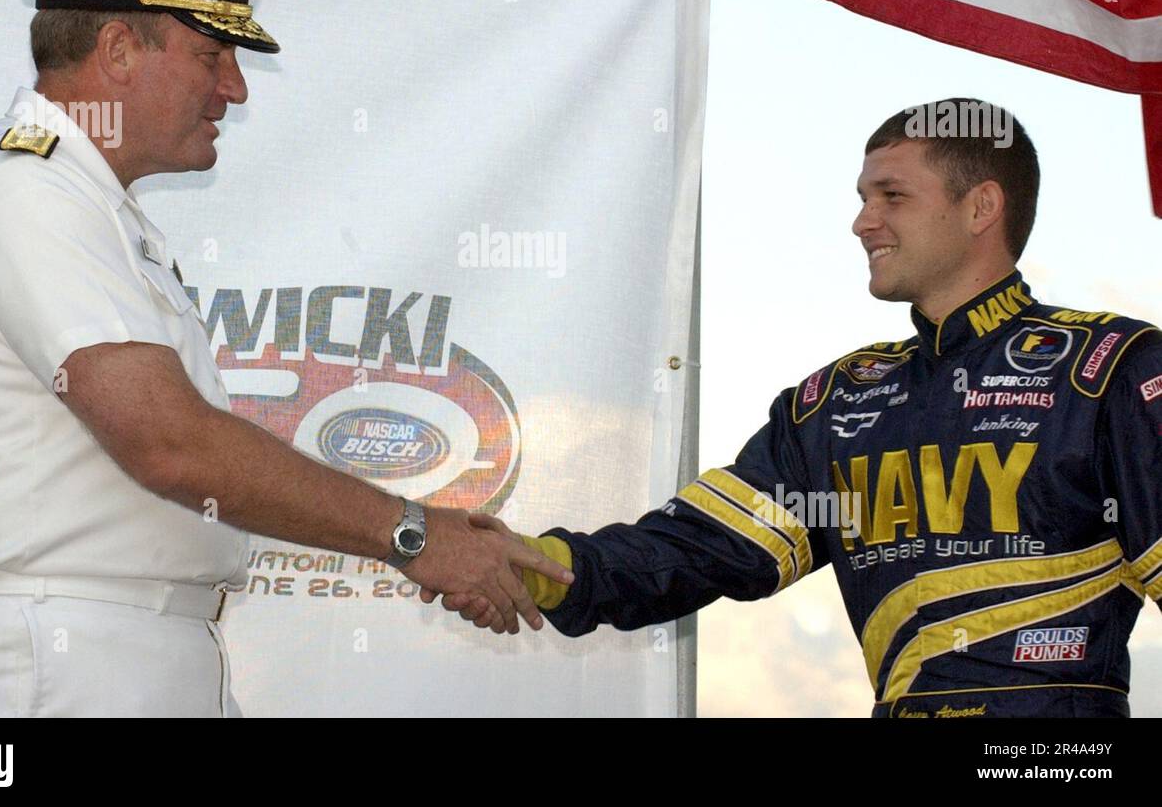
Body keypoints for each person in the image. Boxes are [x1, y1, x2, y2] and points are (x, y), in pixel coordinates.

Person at [0, 0, 570, 718]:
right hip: (55, 659)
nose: (236, 89)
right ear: (116, 51)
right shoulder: (25, 190)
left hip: (119, 652)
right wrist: (414, 535)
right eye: (212, 57)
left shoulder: (90, 206)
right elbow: (171, 444)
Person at [431, 99, 1162, 718]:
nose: (862, 222)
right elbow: (694, 550)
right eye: (862, 197)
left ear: (981, 207)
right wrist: (529, 566)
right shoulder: (841, 401)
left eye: (891, 195)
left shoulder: (1111, 370)